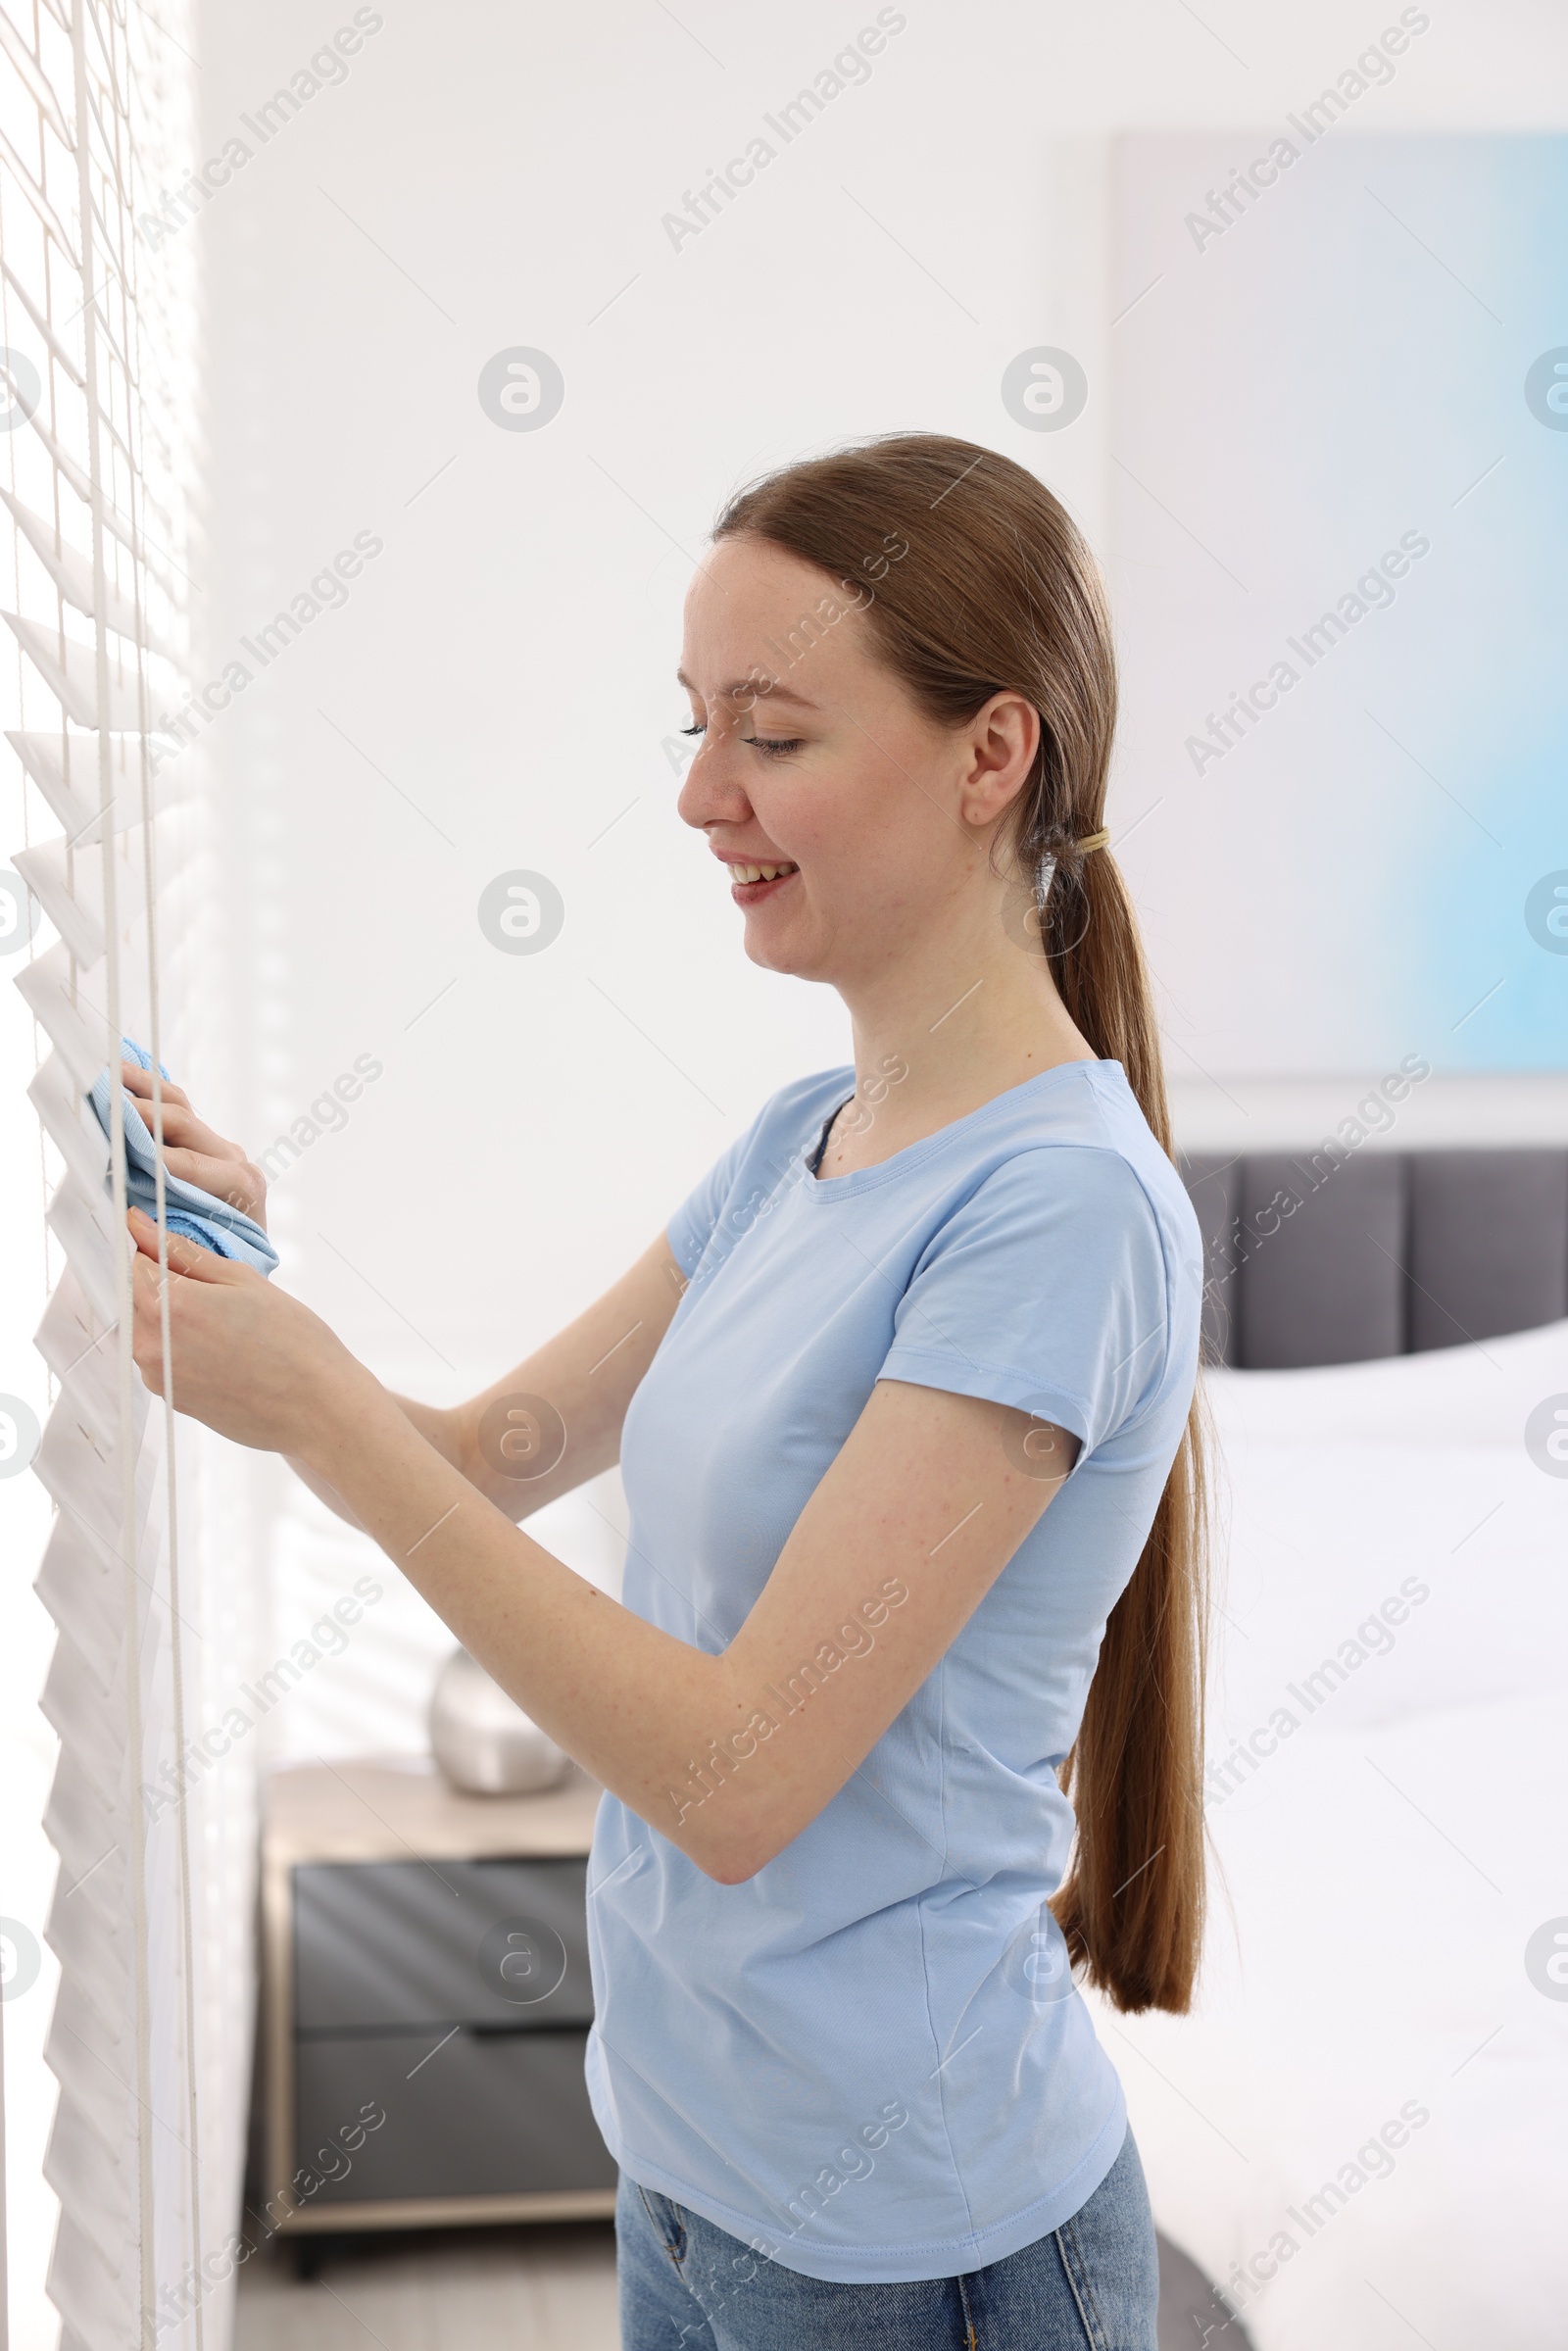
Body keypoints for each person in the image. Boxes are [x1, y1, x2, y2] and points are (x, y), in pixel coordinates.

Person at [126, 431, 1209, 2349]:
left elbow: (734, 1777)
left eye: (771, 735)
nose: (702, 794)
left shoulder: (1057, 1214)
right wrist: (249, 1273)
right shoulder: (805, 1137)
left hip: (911, 2239)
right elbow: (485, 1458)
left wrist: (315, 1411)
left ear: (990, 755)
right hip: (695, 2171)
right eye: (693, 727)